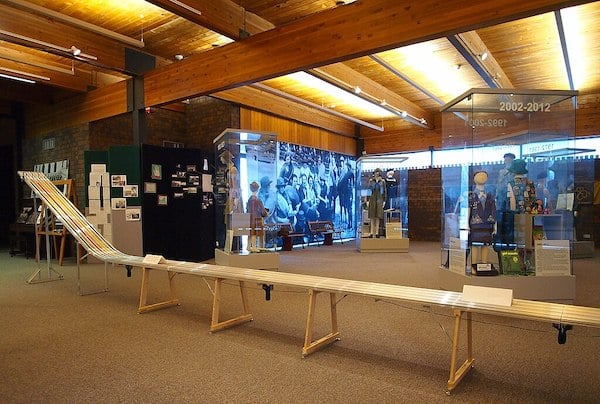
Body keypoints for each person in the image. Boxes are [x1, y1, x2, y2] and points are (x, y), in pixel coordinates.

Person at [468, 171, 496, 264]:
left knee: (486, 245)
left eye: (484, 175)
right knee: (475, 245)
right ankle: (474, 265)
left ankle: (485, 264)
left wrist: (495, 226)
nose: (482, 177)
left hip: (487, 225)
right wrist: (466, 225)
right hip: (475, 225)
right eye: (478, 175)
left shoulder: (490, 196)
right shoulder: (471, 196)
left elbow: (494, 210)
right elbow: (468, 211)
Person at [246, 181, 269, 252]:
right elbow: (262, 210)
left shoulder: (249, 200)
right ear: (257, 189)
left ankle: (248, 246)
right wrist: (266, 213)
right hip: (256, 219)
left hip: (249, 218)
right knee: (255, 233)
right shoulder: (258, 200)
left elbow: (247, 209)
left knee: (250, 233)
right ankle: (253, 247)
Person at [367, 168, 386, 237]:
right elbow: (368, 191)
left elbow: (384, 192)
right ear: (374, 173)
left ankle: (377, 232)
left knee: (378, 216)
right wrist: (367, 200)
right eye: (376, 172)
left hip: (379, 199)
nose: (377, 173)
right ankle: (372, 233)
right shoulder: (371, 181)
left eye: (378, 172)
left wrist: (384, 200)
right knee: (372, 216)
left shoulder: (382, 181)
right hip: (372, 199)